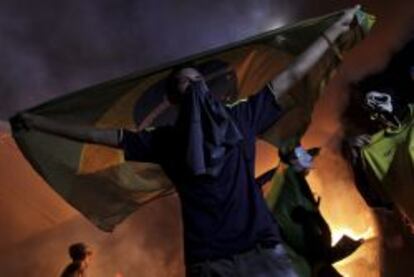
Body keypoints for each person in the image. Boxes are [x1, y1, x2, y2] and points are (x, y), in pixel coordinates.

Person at [21, 7, 359, 277]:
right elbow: (99, 136)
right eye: (185, 85)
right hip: (211, 263)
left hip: (261, 255)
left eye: (197, 80)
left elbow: (292, 75)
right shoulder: (167, 141)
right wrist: (40, 124)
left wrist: (335, 30)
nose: (194, 86)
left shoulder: (240, 119)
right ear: (177, 103)